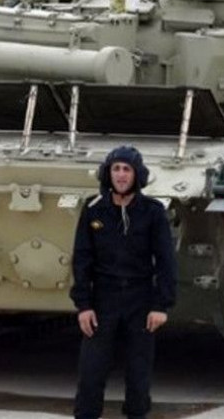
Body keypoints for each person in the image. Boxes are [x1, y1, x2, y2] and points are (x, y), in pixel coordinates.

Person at [70, 145, 177, 419]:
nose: (120, 175)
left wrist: (161, 305)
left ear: (137, 174)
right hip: (103, 300)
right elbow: (82, 258)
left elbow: (165, 260)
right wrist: (83, 305)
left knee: (139, 372)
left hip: (140, 299)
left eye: (126, 169)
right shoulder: (94, 209)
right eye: (116, 169)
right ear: (107, 173)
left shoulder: (152, 211)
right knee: (91, 370)